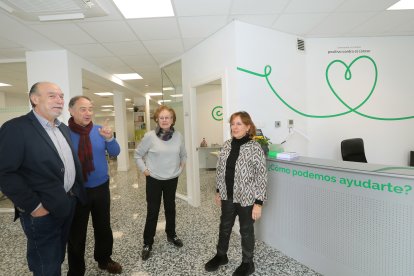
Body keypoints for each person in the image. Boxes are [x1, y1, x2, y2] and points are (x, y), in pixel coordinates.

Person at [0, 82, 86, 276]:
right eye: (52, 96)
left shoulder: (62, 128)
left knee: (57, 257)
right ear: (35, 99)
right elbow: (5, 173)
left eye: (61, 96)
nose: (59, 100)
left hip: (66, 203)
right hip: (41, 210)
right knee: (45, 264)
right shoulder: (16, 128)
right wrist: (35, 207)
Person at [205, 111, 267, 276]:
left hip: (247, 198)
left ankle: (248, 263)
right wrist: (218, 191)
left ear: (248, 127)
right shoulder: (226, 145)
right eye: (232, 124)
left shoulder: (255, 148)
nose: (234, 127)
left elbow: (262, 177)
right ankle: (221, 255)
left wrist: (258, 203)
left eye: (239, 124)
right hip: (227, 196)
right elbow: (220, 170)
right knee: (224, 227)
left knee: (246, 231)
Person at [66, 96, 122, 275]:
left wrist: (109, 139)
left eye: (90, 108)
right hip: (76, 190)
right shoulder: (64, 134)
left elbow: (115, 153)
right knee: (76, 233)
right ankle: (76, 270)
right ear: (71, 111)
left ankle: (104, 259)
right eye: (83, 109)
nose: (88, 112)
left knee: (103, 226)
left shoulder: (100, 130)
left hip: (101, 187)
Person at [134, 105, 187, 261]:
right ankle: (147, 243)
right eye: (162, 117)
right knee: (153, 211)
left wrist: (180, 169)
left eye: (168, 117)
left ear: (172, 120)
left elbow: (183, 155)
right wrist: (144, 170)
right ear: (157, 119)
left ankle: (171, 235)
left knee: (170, 208)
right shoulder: (150, 136)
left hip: (172, 179)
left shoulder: (178, 136)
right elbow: (137, 155)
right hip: (154, 179)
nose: (165, 120)